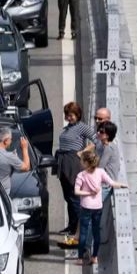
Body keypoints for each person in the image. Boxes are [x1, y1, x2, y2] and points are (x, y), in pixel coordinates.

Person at [74, 150, 127, 265]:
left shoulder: (81, 175)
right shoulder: (101, 172)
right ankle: (94, 257)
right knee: (96, 232)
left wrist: (88, 193)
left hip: (86, 207)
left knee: (83, 233)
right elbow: (111, 183)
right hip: (97, 207)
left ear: (85, 163)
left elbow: (77, 192)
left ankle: (80, 258)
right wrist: (122, 185)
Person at [56, 102, 97, 243]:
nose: (69, 117)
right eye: (67, 115)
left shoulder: (82, 127)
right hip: (63, 160)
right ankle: (71, 226)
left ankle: (79, 229)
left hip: (73, 161)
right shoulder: (68, 128)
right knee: (68, 196)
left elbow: (96, 140)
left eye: (71, 115)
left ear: (77, 115)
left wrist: (83, 152)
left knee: (74, 197)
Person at [95, 120, 120, 199]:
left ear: (108, 135)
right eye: (98, 130)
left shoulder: (108, 148)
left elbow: (99, 167)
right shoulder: (101, 144)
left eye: (101, 132)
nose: (98, 132)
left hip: (104, 186)